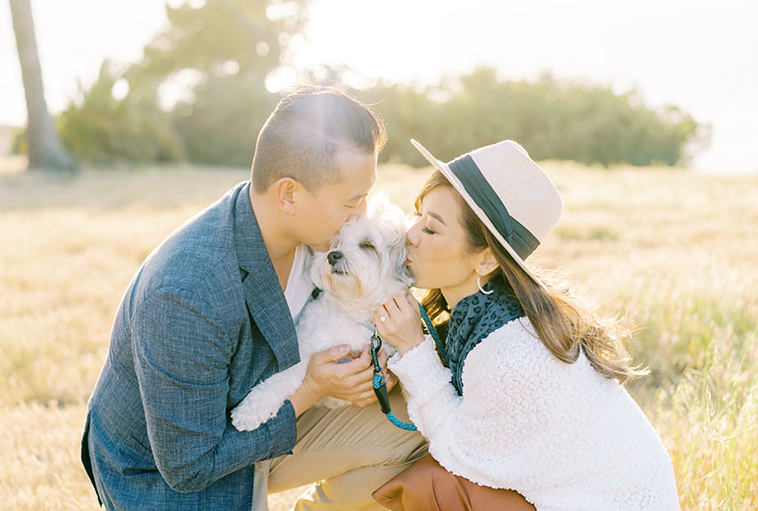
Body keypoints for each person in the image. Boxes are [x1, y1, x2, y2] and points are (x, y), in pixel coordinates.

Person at [81, 86, 427, 510]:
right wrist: (312, 388)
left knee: (421, 427)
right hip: (176, 471)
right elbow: (190, 467)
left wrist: (382, 365)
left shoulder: (317, 236)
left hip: (271, 413)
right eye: (352, 201)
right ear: (288, 195)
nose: (360, 215)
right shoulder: (187, 293)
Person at [370, 139, 680, 510]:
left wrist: (413, 349)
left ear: (485, 259)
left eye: (432, 229)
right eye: (417, 215)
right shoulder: (488, 318)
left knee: (429, 483)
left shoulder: (513, 352)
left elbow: (458, 454)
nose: (410, 234)